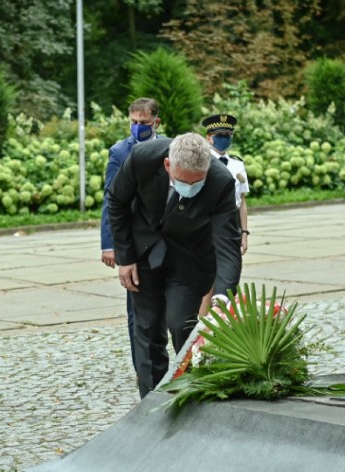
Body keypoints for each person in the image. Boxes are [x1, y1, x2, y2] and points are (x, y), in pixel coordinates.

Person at [107, 133, 242, 398]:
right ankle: (152, 403)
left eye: (197, 182)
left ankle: (191, 394)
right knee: (147, 330)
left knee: (182, 325)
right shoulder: (143, 158)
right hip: (143, 254)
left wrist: (222, 297)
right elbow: (117, 202)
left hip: (190, 259)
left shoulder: (221, 181)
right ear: (168, 165)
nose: (190, 188)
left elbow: (227, 244)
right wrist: (125, 258)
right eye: (182, 181)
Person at [99, 98, 162, 378]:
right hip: (134, 241)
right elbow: (110, 201)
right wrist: (110, 243)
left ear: (156, 122)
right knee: (137, 310)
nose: (138, 128)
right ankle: (143, 367)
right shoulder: (120, 152)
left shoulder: (170, 148)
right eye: (133, 123)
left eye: (144, 124)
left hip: (166, 238)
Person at [199, 113, 250, 316]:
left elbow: (242, 202)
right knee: (207, 280)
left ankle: (222, 326)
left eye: (227, 134)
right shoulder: (201, 163)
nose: (224, 138)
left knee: (228, 278)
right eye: (219, 134)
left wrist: (244, 232)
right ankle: (201, 328)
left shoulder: (237, 164)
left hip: (231, 227)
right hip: (208, 225)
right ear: (208, 137)